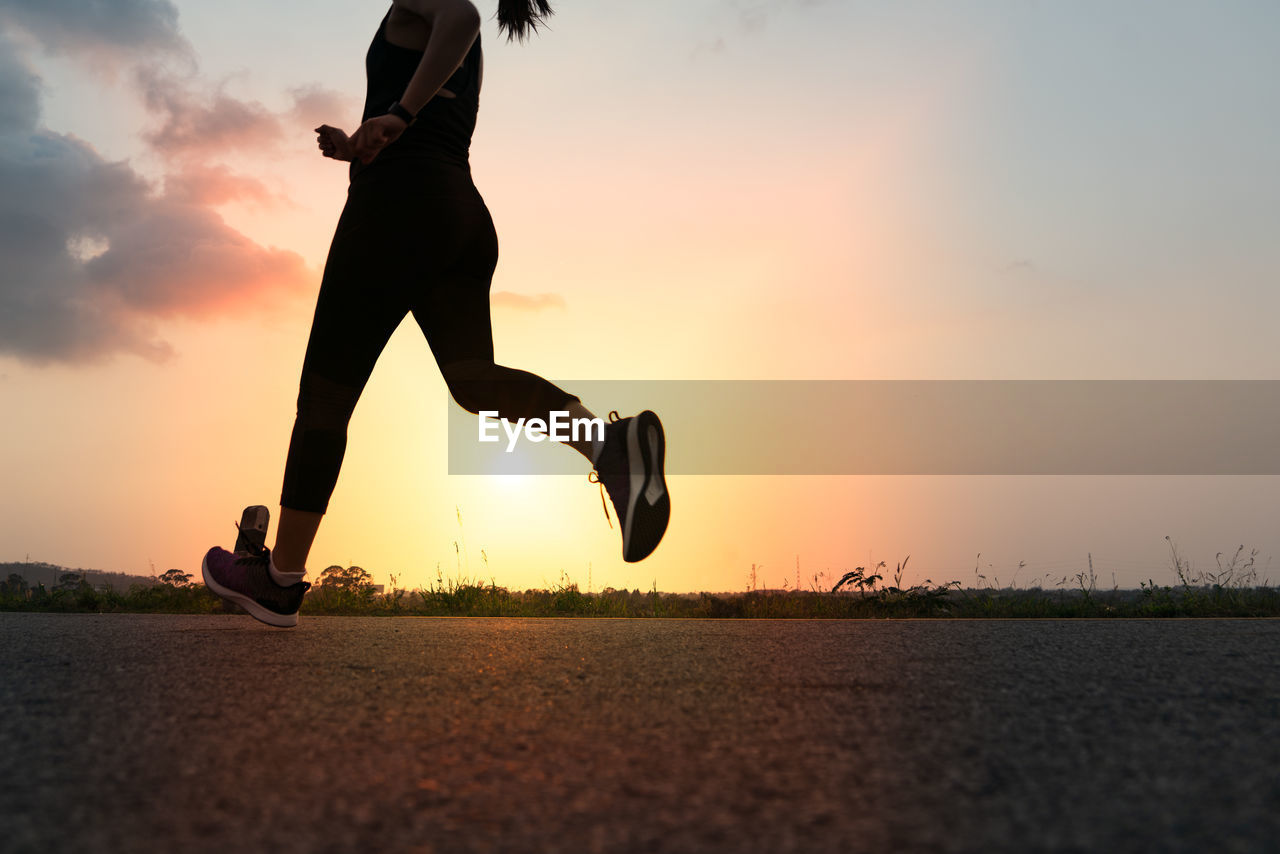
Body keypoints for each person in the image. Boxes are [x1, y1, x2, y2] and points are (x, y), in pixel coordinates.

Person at [201, 0, 669, 628]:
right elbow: (440, 70)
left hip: (394, 215)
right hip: (457, 215)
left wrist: (395, 115)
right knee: (474, 383)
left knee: (325, 398)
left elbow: (463, 18)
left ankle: (279, 578)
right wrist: (360, 140)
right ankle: (609, 448)